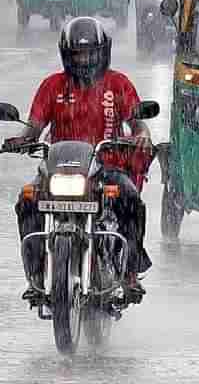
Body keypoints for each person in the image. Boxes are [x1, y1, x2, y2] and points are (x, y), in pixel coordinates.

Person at [13, 16, 153, 304]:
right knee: (27, 200)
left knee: (130, 199)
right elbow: (34, 126)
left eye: (90, 53)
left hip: (107, 167)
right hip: (59, 169)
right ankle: (36, 275)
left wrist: (142, 135)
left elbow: (139, 125)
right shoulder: (52, 85)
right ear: (67, 55)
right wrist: (20, 139)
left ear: (103, 52)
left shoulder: (118, 83)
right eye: (78, 54)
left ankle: (129, 273)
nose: (85, 59)